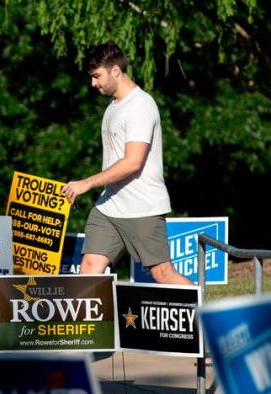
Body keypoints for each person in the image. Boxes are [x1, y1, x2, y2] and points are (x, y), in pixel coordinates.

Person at [61, 43, 192, 285]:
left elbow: (133, 162)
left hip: (142, 208)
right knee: (89, 267)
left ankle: (209, 317)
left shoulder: (141, 105)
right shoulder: (113, 107)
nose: (93, 84)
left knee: (162, 274)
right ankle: (82, 323)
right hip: (109, 206)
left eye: (97, 76)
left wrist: (86, 183)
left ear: (116, 72)